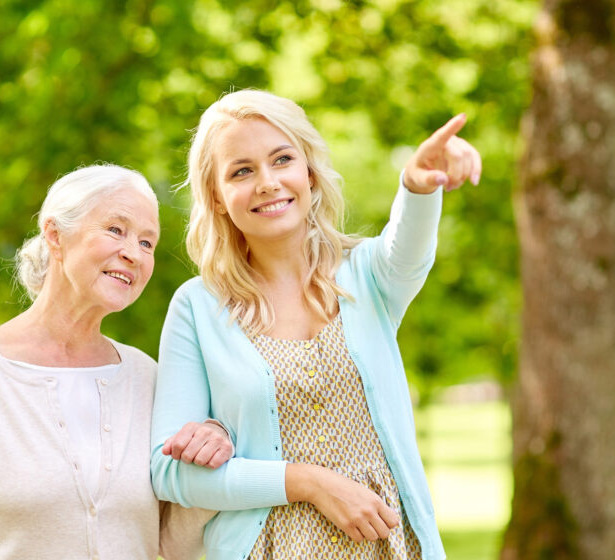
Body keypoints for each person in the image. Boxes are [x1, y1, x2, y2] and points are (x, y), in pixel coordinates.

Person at [150, 90, 482, 560]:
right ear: (218, 199)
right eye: (241, 171)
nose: (267, 182)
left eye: (281, 159)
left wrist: (418, 184)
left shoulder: (369, 277)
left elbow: (409, 248)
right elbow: (171, 472)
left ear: (308, 173)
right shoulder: (197, 308)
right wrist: (306, 482)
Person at [0, 164, 232, 559]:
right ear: (55, 235)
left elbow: (170, 546)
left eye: (147, 243)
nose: (133, 254)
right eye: (116, 230)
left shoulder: (150, 380)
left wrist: (211, 449)